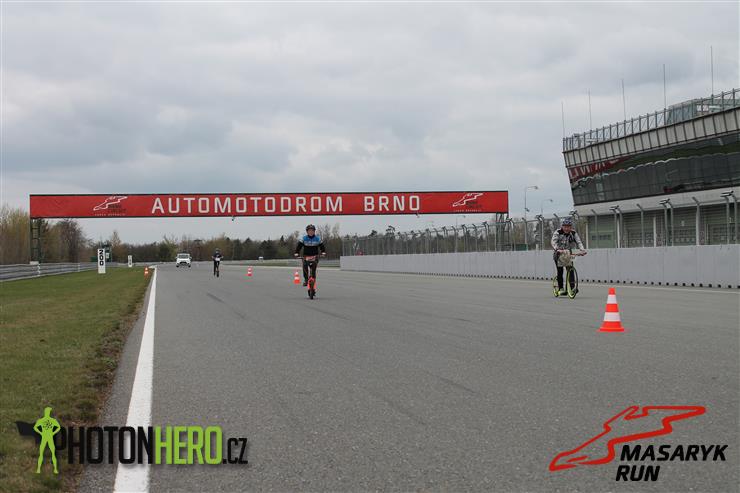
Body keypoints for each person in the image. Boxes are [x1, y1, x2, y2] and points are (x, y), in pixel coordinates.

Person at [551, 218, 586, 295]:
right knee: (560, 271)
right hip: (559, 253)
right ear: (562, 226)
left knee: (570, 269)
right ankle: (561, 288)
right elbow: (553, 242)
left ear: (571, 227)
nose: (567, 228)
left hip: (568, 253)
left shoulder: (573, 233)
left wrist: (582, 250)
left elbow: (579, 242)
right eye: (565, 227)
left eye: (568, 227)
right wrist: (557, 249)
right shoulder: (558, 232)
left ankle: (572, 288)